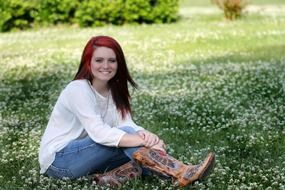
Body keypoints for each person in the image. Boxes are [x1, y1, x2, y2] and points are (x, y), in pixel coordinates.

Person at [39, 36, 215, 188]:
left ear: (119, 63)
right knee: (127, 140)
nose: (106, 65)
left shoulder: (114, 89)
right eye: (99, 60)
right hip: (59, 162)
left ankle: (111, 178)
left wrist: (146, 136)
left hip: (86, 157)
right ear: (88, 62)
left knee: (132, 148)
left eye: (112, 60)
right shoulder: (78, 89)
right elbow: (99, 133)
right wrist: (140, 141)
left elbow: (126, 123)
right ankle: (181, 171)